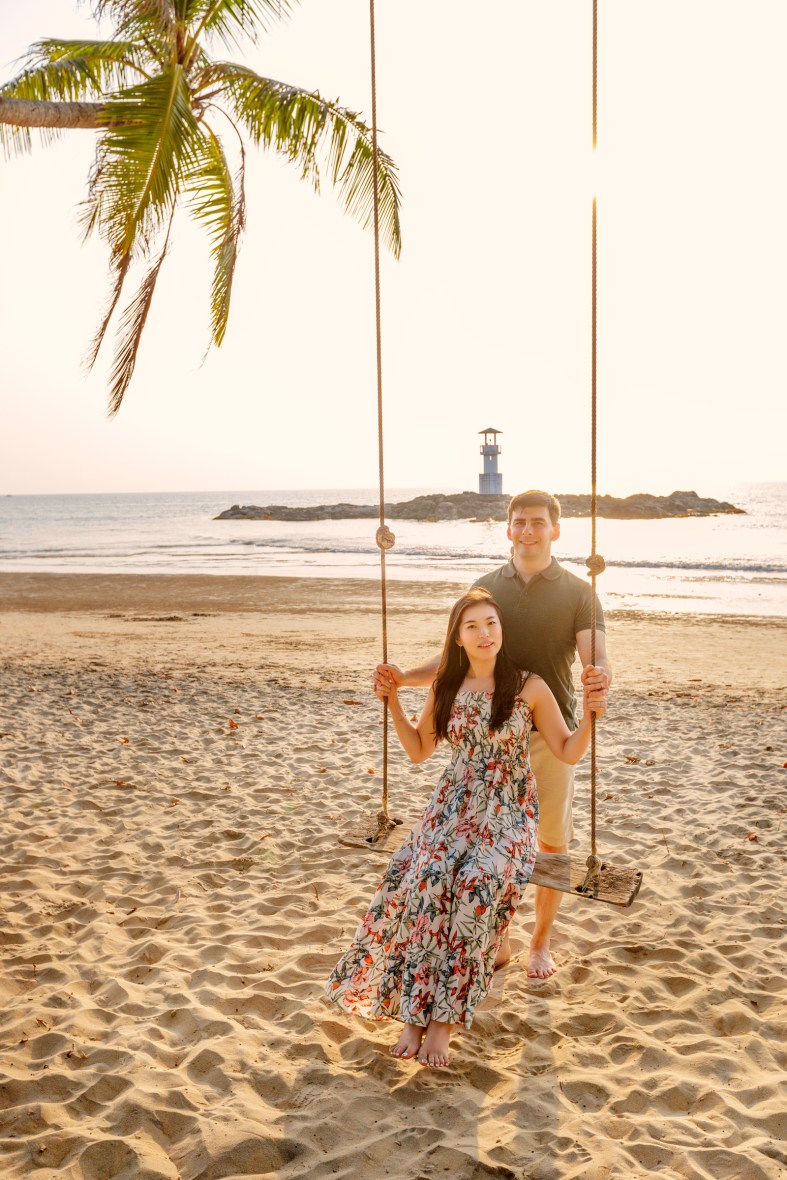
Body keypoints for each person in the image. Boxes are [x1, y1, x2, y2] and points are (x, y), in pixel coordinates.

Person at [326, 589, 606, 1068]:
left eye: (492, 624)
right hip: (451, 806)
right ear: (457, 637)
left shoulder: (529, 686)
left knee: (475, 882)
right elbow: (418, 750)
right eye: (473, 626)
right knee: (426, 880)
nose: (485, 634)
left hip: (508, 812)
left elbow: (568, 750)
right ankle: (414, 1016)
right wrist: (392, 700)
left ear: (502, 631)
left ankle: (443, 1021)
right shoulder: (447, 685)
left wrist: (594, 714)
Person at [373, 490, 611, 981]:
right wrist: (405, 679)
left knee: (550, 845)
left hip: (549, 731)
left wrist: (600, 679)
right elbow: (459, 657)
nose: (528, 530)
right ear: (508, 528)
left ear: (555, 530)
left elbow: (596, 658)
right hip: (489, 737)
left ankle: (540, 941)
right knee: (484, 847)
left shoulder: (577, 592)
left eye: (538, 522)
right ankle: (497, 935)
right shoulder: (486, 586)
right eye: (519, 521)